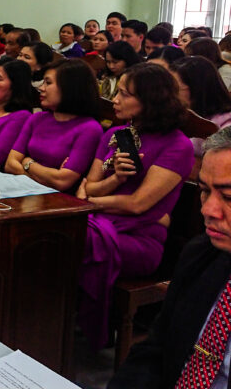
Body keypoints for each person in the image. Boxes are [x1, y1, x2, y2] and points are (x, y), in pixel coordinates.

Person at [76, 63, 193, 352]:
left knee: (71, 239)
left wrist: (89, 204)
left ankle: (75, 325)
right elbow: (89, 185)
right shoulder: (115, 134)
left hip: (139, 238)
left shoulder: (177, 145)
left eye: (124, 94)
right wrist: (115, 179)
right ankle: (51, 320)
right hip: (99, 221)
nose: (114, 100)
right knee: (55, 233)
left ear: (151, 100)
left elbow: (138, 204)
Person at [108, 128, 231, 389]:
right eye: (204, 190)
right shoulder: (201, 255)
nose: (208, 210)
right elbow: (156, 351)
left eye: (229, 197)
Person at [5, 59, 102, 192]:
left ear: (70, 87)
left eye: (48, 83)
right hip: (22, 190)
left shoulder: (89, 129)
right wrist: (47, 176)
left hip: (57, 199)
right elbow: (10, 164)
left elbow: (62, 181)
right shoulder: (37, 118)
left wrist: (27, 162)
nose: (41, 88)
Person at [172, 56, 231, 158]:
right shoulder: (177, 114)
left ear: (196, 89)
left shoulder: (226, 123)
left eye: (176, 89)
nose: (170, 94)